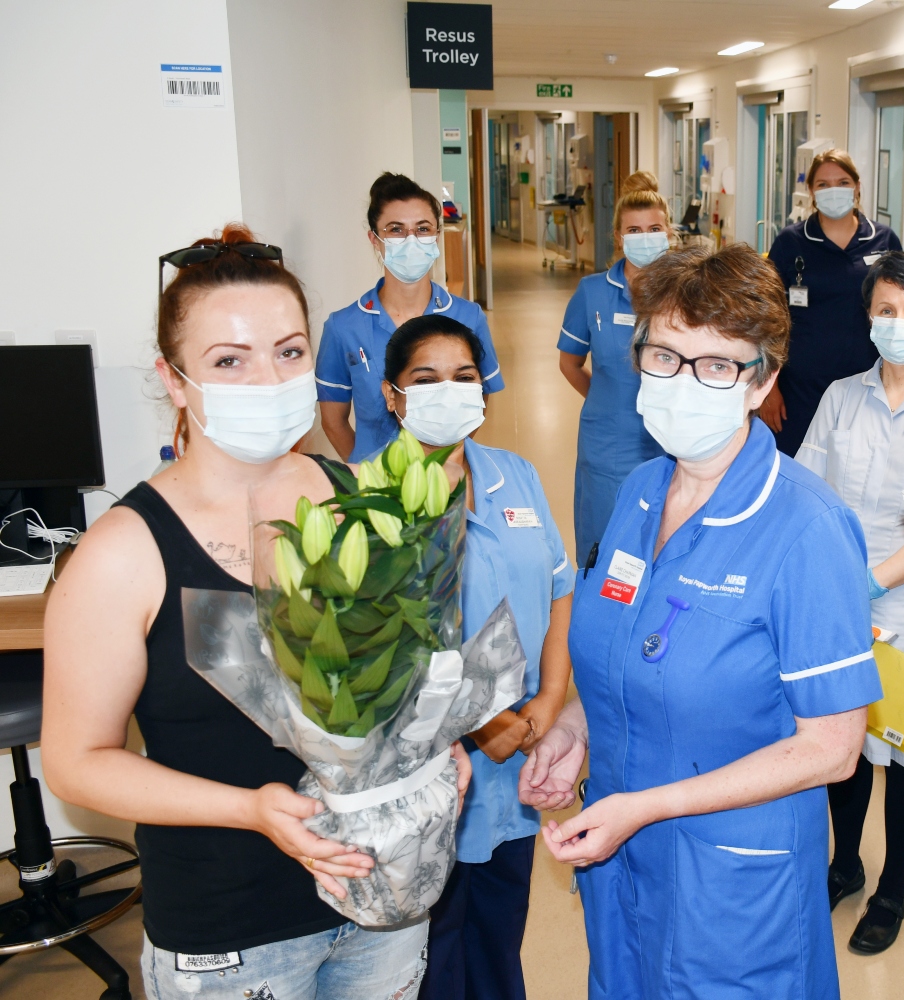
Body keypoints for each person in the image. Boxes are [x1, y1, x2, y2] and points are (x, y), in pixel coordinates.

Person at [42, 224, 470, 999]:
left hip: (384, 895)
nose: (267, 379)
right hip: (232, 931)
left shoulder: (355, 498)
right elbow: (77, 763)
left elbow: (410, 668)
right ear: (175, 381)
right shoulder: (123, 554)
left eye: (289, 351)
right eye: (228, 361)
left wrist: (436, 751)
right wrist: (252, 810)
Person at [518, 244, 883, 999]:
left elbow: (833, 750)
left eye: (718, 365)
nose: (684, 383)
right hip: (622, 860)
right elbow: (629, 651)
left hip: (732, 884)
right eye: (665, 355)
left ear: (763, 381)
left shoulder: (805, 528)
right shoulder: (640, 492)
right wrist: (575, 729)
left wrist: (649, 807)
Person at [378, 316, 574, 1000]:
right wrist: (481, 726)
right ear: (392, 396)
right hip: (426, 769)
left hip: (514, 757)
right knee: (430, 950)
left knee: (497, 933)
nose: (449, 392)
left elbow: (559, 590)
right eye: (425, 380)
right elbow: (380, 650)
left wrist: (548, 701)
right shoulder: (368, 500)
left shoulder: (514, 477)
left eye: (464, 378)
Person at [795, 249, 904, 954]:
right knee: (848, 745)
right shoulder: (841, 396)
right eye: (888, 310)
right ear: (869, 317)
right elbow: (807, 492)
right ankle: (844, 864)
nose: (900, 323)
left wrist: (876, 580)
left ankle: (893, 886)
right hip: (840, 601)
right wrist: (831, 584)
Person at [317, 172, 504, 463]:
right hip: (375, 486)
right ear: (375, 240)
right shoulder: (343, 327)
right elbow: (333, 421)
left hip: (446, 477)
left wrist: (443, 462)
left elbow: (480, 399)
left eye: (423, 228)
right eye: (396, 230)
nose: (411, 240)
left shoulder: (468, 317)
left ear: (437, 236)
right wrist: (368, 475)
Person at [557, 178, 672, 560]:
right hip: (608, 444)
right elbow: (570, 363)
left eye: (654, 229)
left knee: (661, 538)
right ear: (619, 237)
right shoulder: (593, 292)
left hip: (673, 439)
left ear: (669, 232)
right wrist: (606, 399)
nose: (645, 237)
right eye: (634, 230)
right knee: (603, 545)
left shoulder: (686, 293)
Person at [762, 148, 902, 455]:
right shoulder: (791, 242)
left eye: (842, 181)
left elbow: (901, 312)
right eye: (823, 184)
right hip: (800, 388)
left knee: (856, 469)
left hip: (868, 383)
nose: (833, 190)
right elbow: (766, 316)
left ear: (857, 187)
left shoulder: (883, 240)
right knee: (797, 470)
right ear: (810, 191)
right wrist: (769, 389)